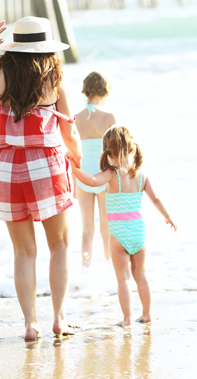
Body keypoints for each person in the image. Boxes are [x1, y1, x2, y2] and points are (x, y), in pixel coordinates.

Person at [0, 17, 82, 339]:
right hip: (46, 164)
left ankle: (30, 324)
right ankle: (59, 318)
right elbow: (69, 132)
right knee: (60, 246)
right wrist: (76, 161)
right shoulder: (54, 78)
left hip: (8, 166)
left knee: (24, 252)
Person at [71, 126, 176, 326]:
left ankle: (127, 319)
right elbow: (156, 199)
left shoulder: (111, 175)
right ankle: (147, 314)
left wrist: (74, 169)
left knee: (123, 279)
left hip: (118, 233)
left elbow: (92, 181)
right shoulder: (142, 176)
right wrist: (167, 216)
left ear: (108, 154)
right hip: (139, 231)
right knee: (141, 274)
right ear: (133, 150)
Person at [73, 72, 116, 268]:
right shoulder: (108, 117)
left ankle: (85, 272)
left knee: (87, 230)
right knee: (105, 228)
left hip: (82, 178)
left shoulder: (75, 118)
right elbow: (117, 152)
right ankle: (109, 268)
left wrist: (74, 183)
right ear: (104, 92)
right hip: (103, 179)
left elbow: (73, 153)